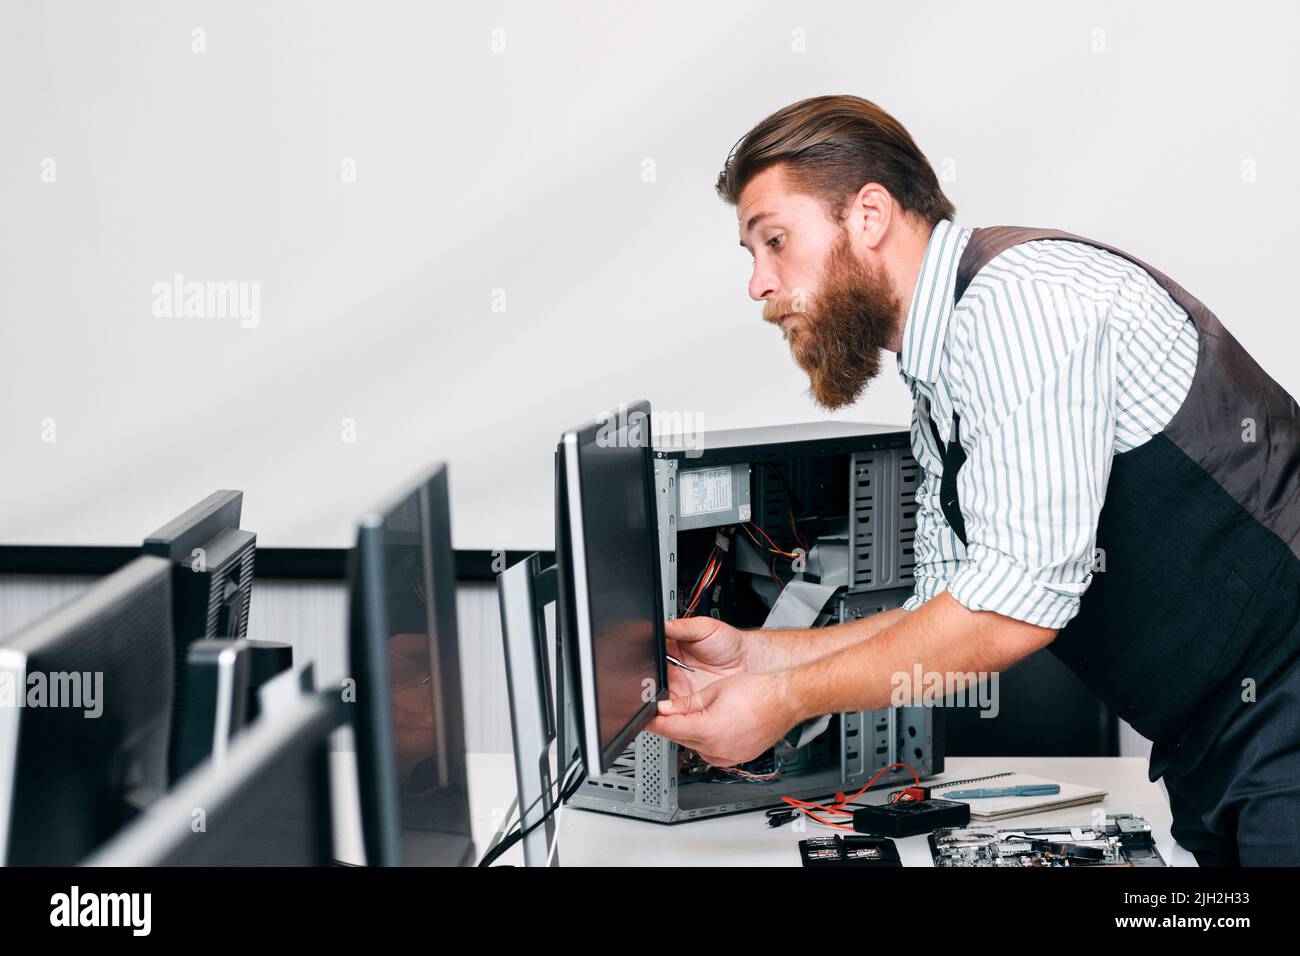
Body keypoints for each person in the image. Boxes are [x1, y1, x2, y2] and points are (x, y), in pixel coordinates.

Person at [648, 94, 1300, 866]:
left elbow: (1010, 611)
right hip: (1215, 742)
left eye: (775, 241)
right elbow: (947, 605)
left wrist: (783, 702)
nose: (759, 285)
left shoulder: (1019, 306)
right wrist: (764, 657)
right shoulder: (943, 370)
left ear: (868, 215)